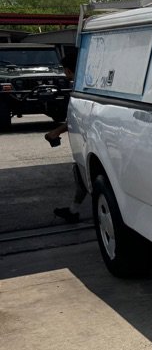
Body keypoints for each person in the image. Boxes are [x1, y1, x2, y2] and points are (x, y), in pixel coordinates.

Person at [44, 50, 87, 224]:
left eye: (64, 70)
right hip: (90, 140)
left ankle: (73, 211)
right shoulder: (89, 83)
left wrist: (56, 132)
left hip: (87, 143)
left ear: (69, 70)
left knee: (83, 175)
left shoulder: (80, 89)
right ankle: (73, 210)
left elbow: (76, 118)